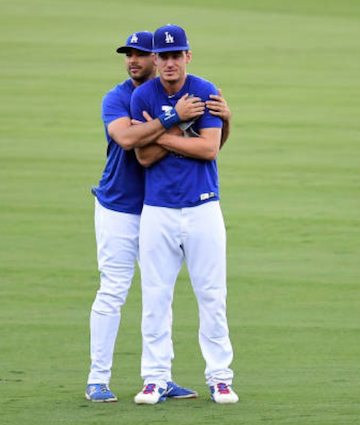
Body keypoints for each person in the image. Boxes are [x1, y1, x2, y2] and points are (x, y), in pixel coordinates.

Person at [86, 31, 233, 403]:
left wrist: (224, 122)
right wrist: (173, 118)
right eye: (128, 55)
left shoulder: (176, 94)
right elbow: (129, 142)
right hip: (121, 205)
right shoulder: (121, 98)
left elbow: (208, 147)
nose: (134, 60)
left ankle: (166, 379)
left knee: (177, 294)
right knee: (115, 291)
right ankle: (97, 379)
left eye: (142, 54)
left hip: (160, 206)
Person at [129, 24, 239, 405]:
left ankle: (220, 378)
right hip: (158, 210)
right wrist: (177, 120)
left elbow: (209, 149)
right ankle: (155, 379)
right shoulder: (143, 94)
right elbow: (141, 157)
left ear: (187, 57)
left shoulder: (205, 90)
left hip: (203, 206)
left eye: (178, 55)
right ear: (155, 59)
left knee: (212, 295)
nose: (171, 62)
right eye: (165, 56)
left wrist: (157, 131)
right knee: (156, 297)